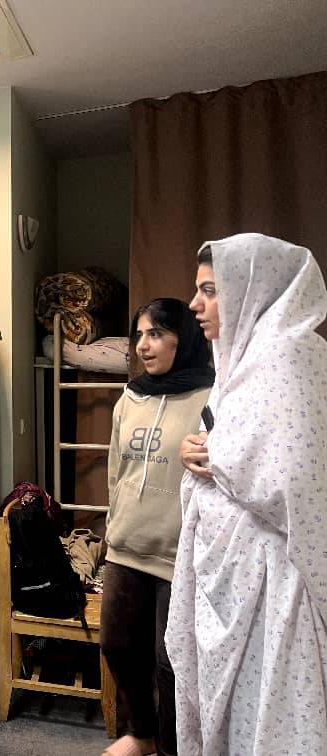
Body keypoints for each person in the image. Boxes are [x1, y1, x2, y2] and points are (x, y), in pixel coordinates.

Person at [168, 234, 327, 755]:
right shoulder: (241, 361)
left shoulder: (289, 355)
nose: (195, 304)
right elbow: (230, 439)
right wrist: (196, 447)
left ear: (253, 289)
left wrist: (215, 455)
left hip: (274, 582)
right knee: (239, 716)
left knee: (269, 716)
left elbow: (292, 477)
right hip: (236, 576)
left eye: (210, 290)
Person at [100, 299, 214, 756]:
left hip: (179, 554)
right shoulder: (130, 397)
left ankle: (171, 748)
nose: (143, 346)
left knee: (172, 664)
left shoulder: (210, 397)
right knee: (117, 645)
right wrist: (112, 526)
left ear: (183, 339)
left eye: (156, 334)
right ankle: (141, 733)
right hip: (126, 545)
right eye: (139, 335)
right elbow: (116, 470)